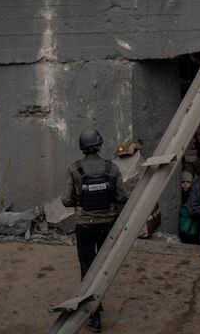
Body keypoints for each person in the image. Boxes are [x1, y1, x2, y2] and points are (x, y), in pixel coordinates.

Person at [62, 129, 128, 333]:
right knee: (104, 267)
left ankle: (94, 316)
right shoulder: (112, 167)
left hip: (85, 226)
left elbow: (66, 200)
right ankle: (98, 303)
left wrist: (80, 200)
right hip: (107, 224)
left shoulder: (74, 169)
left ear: (82, 148)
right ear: (99, 146)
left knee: (88, 268)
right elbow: (121, 197)